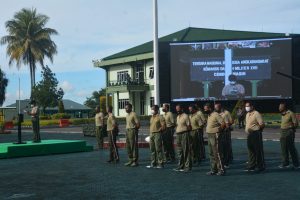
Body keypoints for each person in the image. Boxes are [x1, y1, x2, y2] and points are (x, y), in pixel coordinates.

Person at [205, 103, 226, 176]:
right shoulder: (209, 115)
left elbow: (223, 124)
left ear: (210, 108)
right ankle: (213, 169)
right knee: (211, 153)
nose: (205, 110)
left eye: (206, 108)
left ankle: (221, 170)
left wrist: (219, 131)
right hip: (209, 135)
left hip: (215, 135)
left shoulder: (216, 114)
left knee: (217, 153)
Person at [244, 102, 265, 172]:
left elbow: (262, 124)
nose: (246, 107)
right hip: (249, 135)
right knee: (251, 150)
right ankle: (252, 165)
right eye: (246, 106)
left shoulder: (256, 113)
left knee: (258, 150)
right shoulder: (247, 114)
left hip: (256, 134)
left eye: (248, 106)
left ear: (252, 106)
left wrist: (258, 131)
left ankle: (261, 166)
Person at [278, 103, 299, 169]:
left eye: (281, 106)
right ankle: (285, 163)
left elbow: (296, 123)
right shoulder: (282, 114)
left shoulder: (291, 113)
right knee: (283, 148)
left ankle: (296, 164)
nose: (279, 108)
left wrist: (291, 127)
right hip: (282, 132)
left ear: (285, 107)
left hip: (289, 132)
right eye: (279, 106)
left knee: (291, 148)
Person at [173, 104, 192, 172]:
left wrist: (187, 133)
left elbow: (189, 126)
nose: (177, 110)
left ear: (182, 109)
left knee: (186, 150)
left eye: (178, 109)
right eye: (176, 109)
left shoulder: (185, 116)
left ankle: (187, 167)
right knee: (179, 151)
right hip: (178, 135)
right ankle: (181, 166)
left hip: (184, 134)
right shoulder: (178, 117)